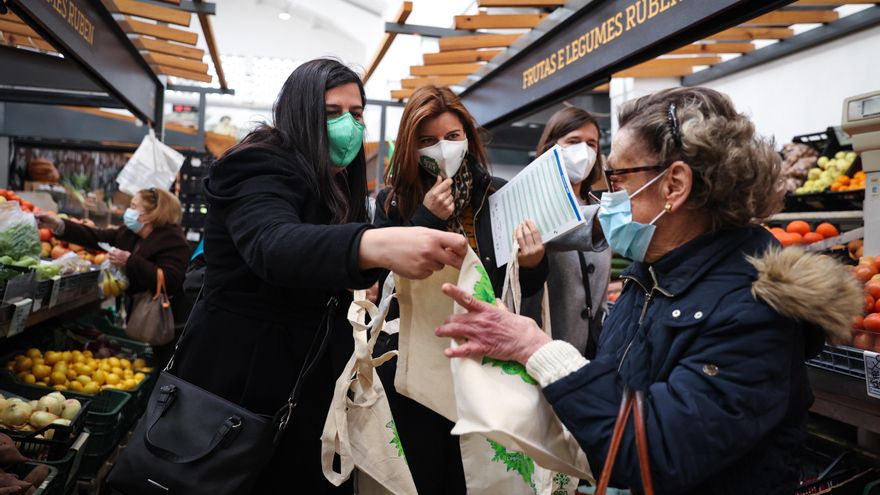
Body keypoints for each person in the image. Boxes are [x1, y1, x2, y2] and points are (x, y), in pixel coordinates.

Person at [435, 87, 862, 494]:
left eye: (618, 177)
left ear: (674, 186)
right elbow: (621, 389)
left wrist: (537, 349)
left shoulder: (752, 306)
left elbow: (654, 450)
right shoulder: (653, 273)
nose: (606, 196)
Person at [161, 59, 467, 494]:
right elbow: (274, 245)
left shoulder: (334, 184)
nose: (348, 124)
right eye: (331, 112)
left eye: (356, 113)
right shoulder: (256, 166)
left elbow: (334, 263)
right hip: (241, 397)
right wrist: (374, 244)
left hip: (305, 395)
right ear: (299, 111)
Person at [373, 85, 548, 495]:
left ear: (468, 137)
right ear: (410, 147)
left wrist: (534, 262)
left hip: (486, 363)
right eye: (429, 141)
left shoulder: (499, 195)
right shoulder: (392, 203)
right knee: (424, 475)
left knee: (485, 477)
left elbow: (522, 289)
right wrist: (426, 218)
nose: (444, 149)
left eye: (453, 137)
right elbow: (385, 284)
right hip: (416, 368)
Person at [37, 189, 190, 357]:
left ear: (150, 215)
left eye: (133, 206)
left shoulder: (173, 240)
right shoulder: (130, 233)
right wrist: (57, 224)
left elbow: (171, 280)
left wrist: (130, 261)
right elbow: (96, 236)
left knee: (164, 358)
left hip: (165, 320)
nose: (128, 211)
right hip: (140, 312)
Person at [522, 107, 612, 358]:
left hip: (596, 349)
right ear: (552, 146)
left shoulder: (596, 202)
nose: (583, 150)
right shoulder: (533, 206)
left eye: (591, 143)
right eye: (573, 141)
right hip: (546, 349)